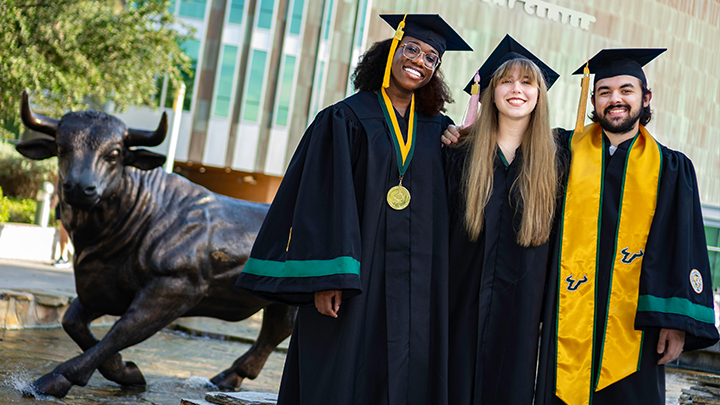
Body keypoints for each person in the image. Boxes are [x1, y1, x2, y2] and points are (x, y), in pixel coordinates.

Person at [235, 14, 472, 405]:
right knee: (344, 368)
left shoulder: (438, 130)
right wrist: (328, 277)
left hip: (418, 281)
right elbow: (320, 202)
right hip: (355, 276)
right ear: (390, 50)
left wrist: (459, 148)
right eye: (411, 48)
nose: (420, 61)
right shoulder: (343, 118)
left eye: (432, 57)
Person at [531, 49, 720, 405]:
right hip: (567, 318)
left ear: (645, 98)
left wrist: (676, 322)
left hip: (637, 328)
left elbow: (684, 247)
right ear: (593, 99)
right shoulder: (561, 151)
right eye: (604, 92)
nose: (615, 99)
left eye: (626, 90)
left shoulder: (671, 168)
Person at [442, 35, 564, 405]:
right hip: (457, 308)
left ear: (539, 94)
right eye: (506, 81)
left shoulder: (559, 163)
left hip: (522, 317)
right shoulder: (457, 153)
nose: (516, 89)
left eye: (527, 82)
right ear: (490, 92)